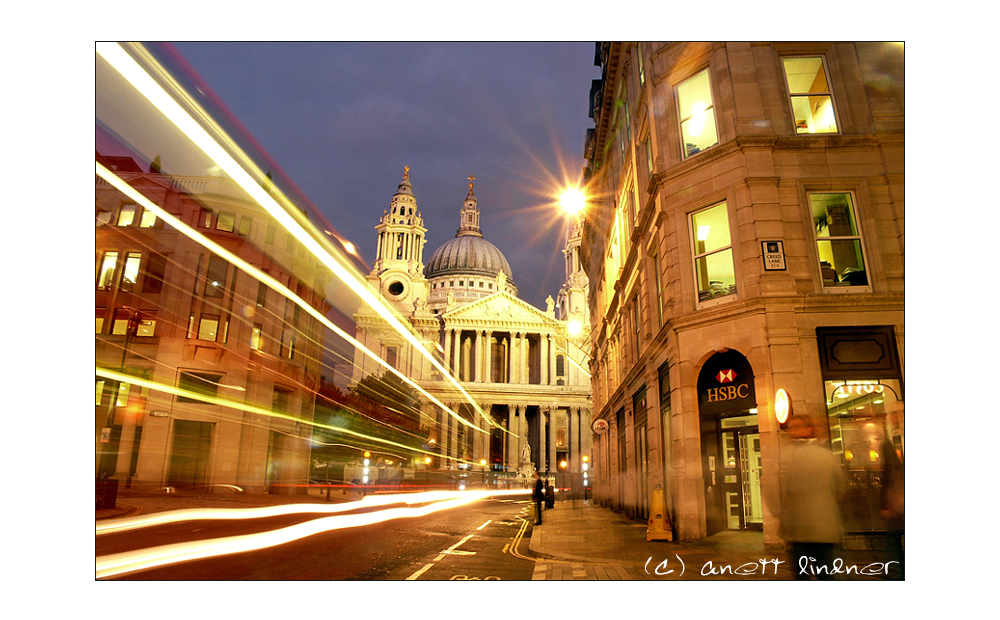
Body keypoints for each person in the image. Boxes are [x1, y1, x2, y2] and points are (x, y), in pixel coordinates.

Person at [779, 415, 846, 580]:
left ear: (808, 429)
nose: (791, 431)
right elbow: (841, 487)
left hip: (798, 529)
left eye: (796, 427)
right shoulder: (826, 455)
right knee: (825, 575)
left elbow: (779, 491)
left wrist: (782, 514)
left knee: (803, 576)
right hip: (823, 527)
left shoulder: (787, 456)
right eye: (790, 428)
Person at [880, 439, 904, 580]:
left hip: (896, 513)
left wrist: (891, 509)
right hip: (900, 513)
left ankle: (896, 573)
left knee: (892, 543)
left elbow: (894, 489)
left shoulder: (890, 468)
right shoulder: (899, 466)